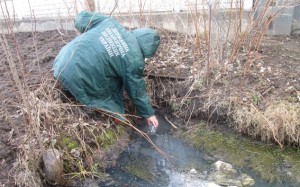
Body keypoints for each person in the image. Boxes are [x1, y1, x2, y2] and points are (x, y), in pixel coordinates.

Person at [53, 11, 159, 128]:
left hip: (61, 61)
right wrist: (149, 114)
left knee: (113, 67)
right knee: (118, 82)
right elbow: (136, 90)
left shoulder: (109, 22)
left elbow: (81, 18)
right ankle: (114, 115)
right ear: (148, 51)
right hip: (79, 80)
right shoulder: (134, 60)